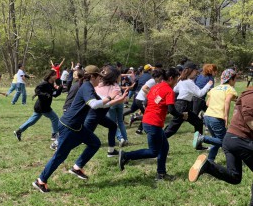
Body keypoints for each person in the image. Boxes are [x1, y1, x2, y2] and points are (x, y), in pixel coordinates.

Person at [32, 65, 126, 193]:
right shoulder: (87, 86)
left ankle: (77, 167)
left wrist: (117, 100)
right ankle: (40, 181)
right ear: (93, 76)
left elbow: (100, 106)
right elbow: (93, 104)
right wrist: (110, 97)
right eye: (99, 76)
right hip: (68, 126)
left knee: (94, 143)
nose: (101, 79)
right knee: (60, 156)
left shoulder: (90, 87)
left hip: (77, 126)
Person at [119, 68, 188, 180]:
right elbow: (171, 109)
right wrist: (182, 115)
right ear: (171, 78)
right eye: (176, 79)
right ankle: (126, 156)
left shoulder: (156, 87)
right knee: (153, 152)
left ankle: (161, 174)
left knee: (164, 147)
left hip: (148, 120)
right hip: (153, 123)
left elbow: (146, 102)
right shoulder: (169, 90)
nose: (177, 82)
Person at [189, 87, 253, 206]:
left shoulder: (246, 94)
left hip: (230, 140)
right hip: (240, 140)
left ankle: (207, 166)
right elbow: (249, 117)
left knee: (234, 176)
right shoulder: (251, 95)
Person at [164, 62, 213, 149]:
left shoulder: (182, 81)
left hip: (183, 105)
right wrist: (208, 84)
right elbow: (200, 93)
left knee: (198, 122)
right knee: (171, 129)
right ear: (191, 71)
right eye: (195, 71)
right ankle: (156, 142)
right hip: (182, 106)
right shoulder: (189, 82)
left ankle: (198, 145)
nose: (196, 72)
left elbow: (175, 89)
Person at [193, 69, 238, 161]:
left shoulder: (215, 88)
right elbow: (227, 101)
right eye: (235, 79)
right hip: (217, 118)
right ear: (230, 80)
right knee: (224, 141)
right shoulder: (230, 89)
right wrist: (226, 116)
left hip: (207, 116)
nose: (236, 81)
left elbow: (208, 103)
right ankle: (202, 138)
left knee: (216, 140)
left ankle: (210, 161)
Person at [13, 70, 62, 142]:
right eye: (55, 75)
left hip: (41, 106)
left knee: (32, 121)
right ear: (51, 76)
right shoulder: (44, 83)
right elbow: (37, 90)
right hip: (43, 106)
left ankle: (19, 131)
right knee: (54, 118)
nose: (56, 76)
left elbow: (54, 94)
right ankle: (54, 135)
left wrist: (60, 87)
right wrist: (45, 94)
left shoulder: (50, 84)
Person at [129, 69, 164, 134]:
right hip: (140, 100)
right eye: (161, 78)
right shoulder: (152, 81)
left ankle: (139, 128)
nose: (161, 79)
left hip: (142, 100)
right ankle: (137, 123)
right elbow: (144, 88)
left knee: (147, 115)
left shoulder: (155, 82)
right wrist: (152, 94)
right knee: (147, 115)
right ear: (158, 77)